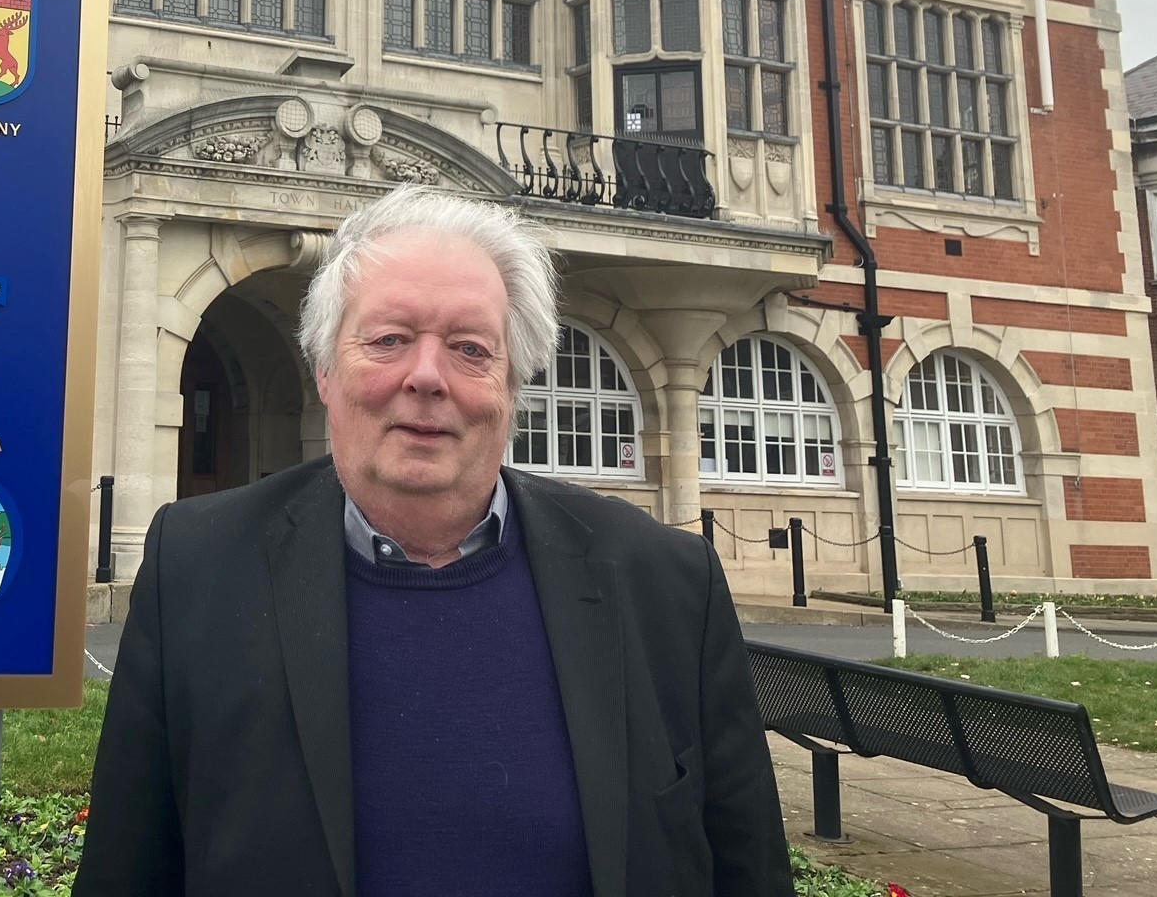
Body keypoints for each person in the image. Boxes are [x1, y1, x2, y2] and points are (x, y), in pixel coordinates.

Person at [76, 186, 795, 897]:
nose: (426, 377)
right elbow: (127, 869)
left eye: (469, 348)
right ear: (324, 371)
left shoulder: (666, 582)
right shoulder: (196, 568)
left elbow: (747, 864)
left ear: (512, 382)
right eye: (388, 340)